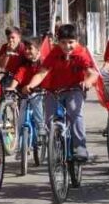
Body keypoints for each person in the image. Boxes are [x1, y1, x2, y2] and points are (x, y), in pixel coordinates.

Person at [24, 24, 97, 162]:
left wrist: (87, 82)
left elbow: (93, 74)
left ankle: (80, 146)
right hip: (54, 90)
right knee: (49, 120)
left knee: (74, 112)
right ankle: (56, 144)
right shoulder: (54, 53)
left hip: (74, 89)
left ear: (77, 41)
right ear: (58, 42)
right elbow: (42, 73)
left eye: (71, 42)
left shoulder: (81, 53)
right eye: (63, 42)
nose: (67, 46)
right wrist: (31, 85)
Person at [3, 39, 45, 152]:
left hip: (39, 92)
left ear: (38, 50)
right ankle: (22, 147)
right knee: (21, 119)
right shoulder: (24, 65)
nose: (27, 51)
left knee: (37, 105)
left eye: (30, 48)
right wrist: (12, 87)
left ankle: (41, 127)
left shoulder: (42, 63)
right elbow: (18, 76)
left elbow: (44, 76)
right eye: (25, 49)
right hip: (25, 94)